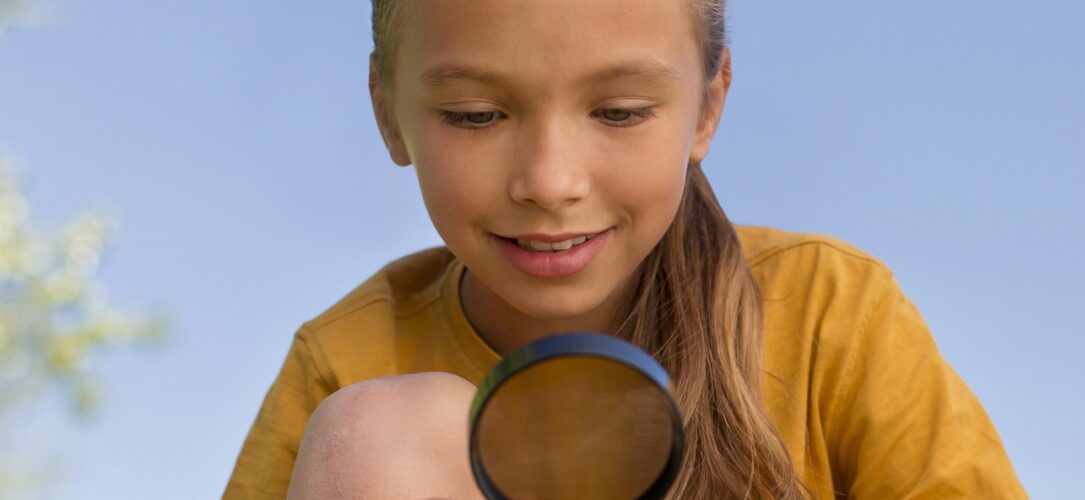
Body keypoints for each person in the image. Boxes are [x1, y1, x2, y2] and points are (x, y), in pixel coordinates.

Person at [224, 0, 1027, 498]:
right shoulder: (348, 357)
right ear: (389, 114)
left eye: (618, 113)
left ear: (707, 109)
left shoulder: (830, 316)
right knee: (377, 431)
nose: (549, 181)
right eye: (475, 115)